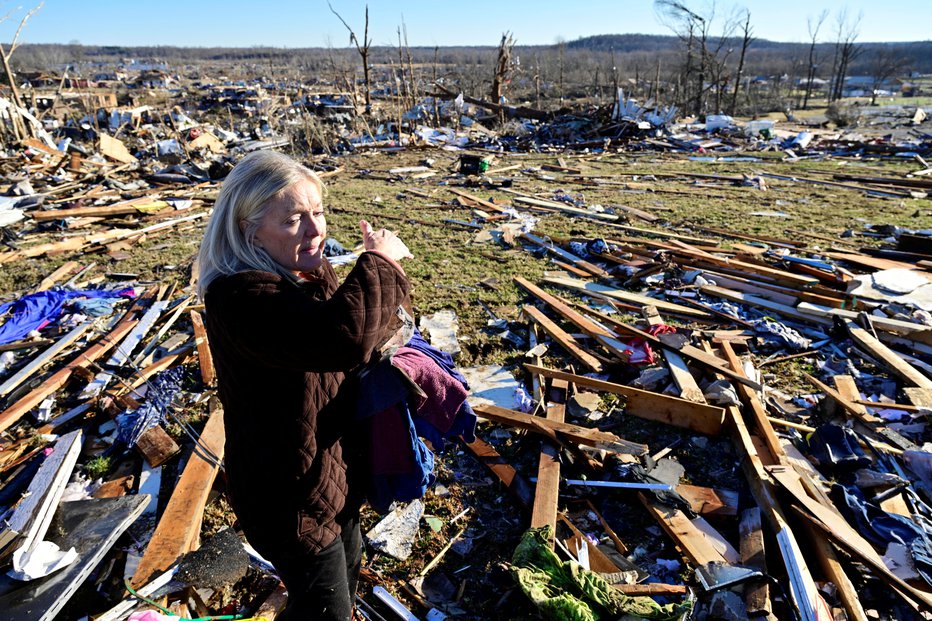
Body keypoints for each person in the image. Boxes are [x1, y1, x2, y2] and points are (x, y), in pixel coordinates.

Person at [196, 150, 413, 620]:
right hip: (288, 499)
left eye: (318, 212)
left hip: (331, 474)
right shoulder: (240, 297)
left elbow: (356, 329)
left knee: (346, 572)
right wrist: (379, 262)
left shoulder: (298, 273)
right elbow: (343, 337)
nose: (316, 231)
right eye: (295, 219)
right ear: (248, 228)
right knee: (324, 608)